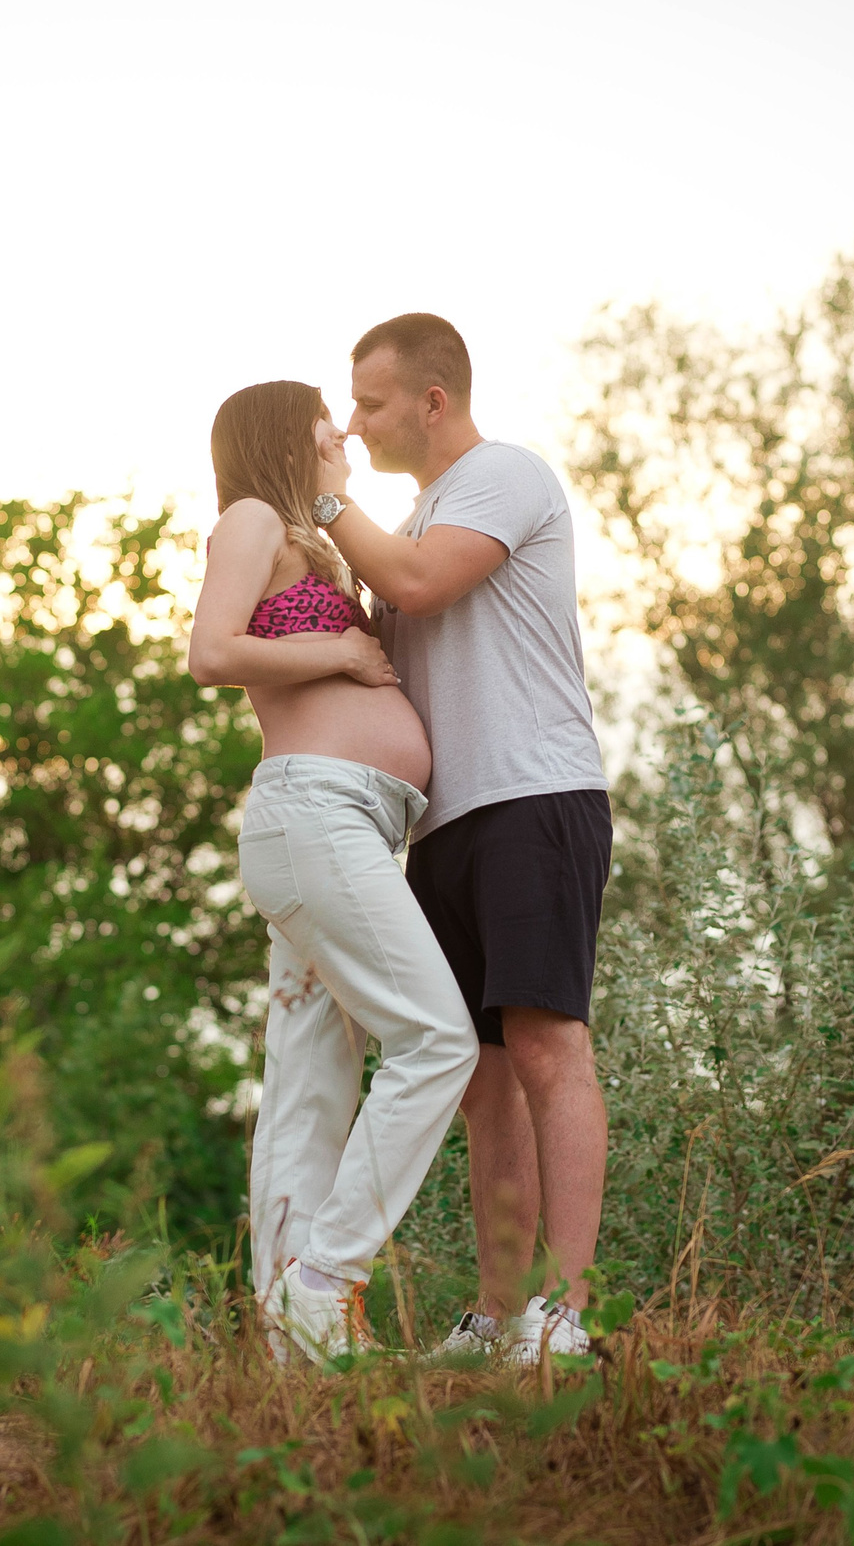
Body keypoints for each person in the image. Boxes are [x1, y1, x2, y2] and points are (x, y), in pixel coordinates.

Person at [311, 313, 614, 1364]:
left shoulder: (503, 477)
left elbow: (419, 585)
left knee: (544, 1043)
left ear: (431, 399)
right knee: (479, 1072)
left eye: (371, 402)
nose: (354, 423)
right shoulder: (411, 518)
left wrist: (318, 494)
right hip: (443, 826)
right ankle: (497, 1316)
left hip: (534, 795)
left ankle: (566, 1316)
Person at [187, 379, 480, 1362]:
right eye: (328, 411)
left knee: (312, 1076)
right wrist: (341, 657)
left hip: (344, 823)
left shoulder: (304, 536)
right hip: (314, 814)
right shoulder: (249, 518)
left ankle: (290, 1340)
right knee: (436, 1039)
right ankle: (326, 1275)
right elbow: (211, 652)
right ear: (284, 431)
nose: (343, 427)